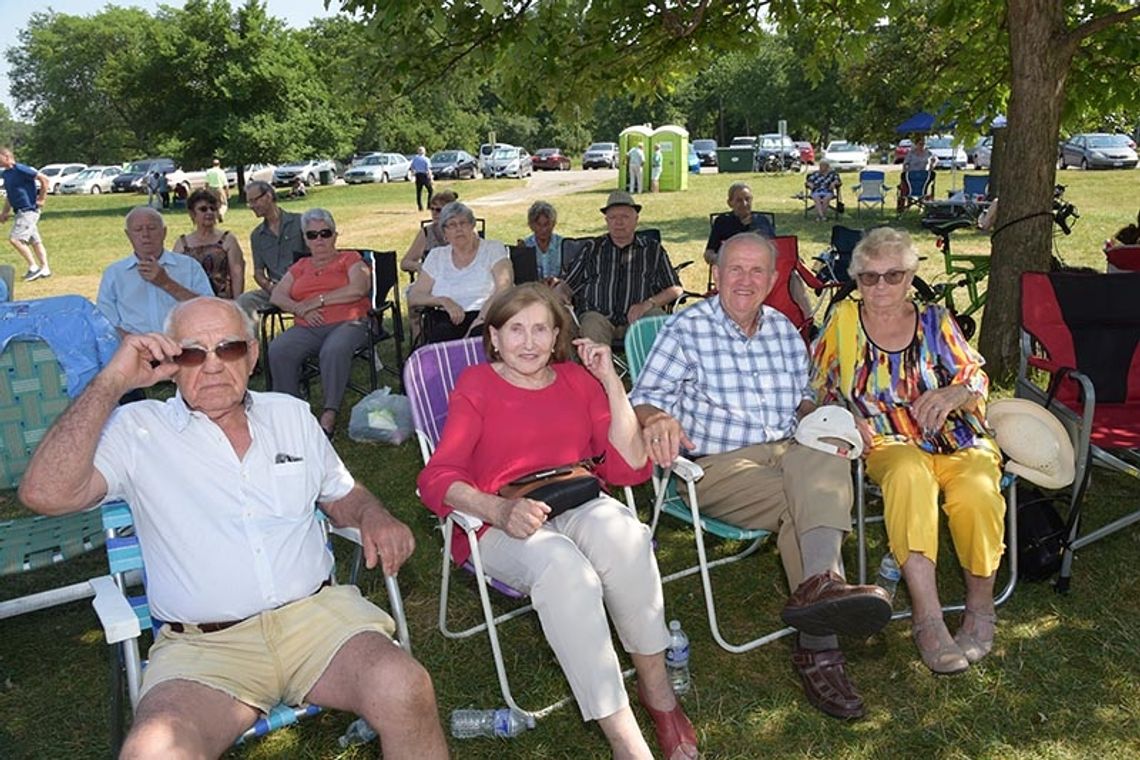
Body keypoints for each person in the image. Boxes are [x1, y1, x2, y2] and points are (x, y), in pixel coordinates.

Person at [17, 296, 448, 758]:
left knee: (406, 687)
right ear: (170, 363)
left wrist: (373, 514)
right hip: (207, 651)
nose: (213, 365)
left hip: (318, 623)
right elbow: (45, 493)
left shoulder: (290, 415)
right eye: (192, 353)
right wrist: (113, 380)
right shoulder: (137, 431)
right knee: (155, 752)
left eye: (228, 348)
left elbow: (342, 493)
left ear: (253, 354)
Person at [418, 283, 698, 760]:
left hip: (574, 497)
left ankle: (660, 699)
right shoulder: (476, 385)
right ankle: (626, 740)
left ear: (556, 337)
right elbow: (437, 477)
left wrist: (610, 381)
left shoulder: (576, 380)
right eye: (516, 330)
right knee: (566, 573)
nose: (528, 343)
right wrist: (498, 510)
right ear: (495, 337)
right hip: (500, 519)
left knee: (628, 538)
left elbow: (628, 467)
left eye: (540, 330)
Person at [629, 232, 891, 720]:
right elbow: (641, 397)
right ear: (716, 275)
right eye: (735, 269)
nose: (745, 281)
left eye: (757, 272)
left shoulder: (783, 330)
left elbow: (804, 401)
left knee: (824, 448)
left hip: (790, 450)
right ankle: (822, 636)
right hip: (716, 465)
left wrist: (830, 414)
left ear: (773, 281)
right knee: (808, 504)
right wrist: (655, 417)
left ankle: (818, 609)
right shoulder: (686, 329)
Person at [811, 227, 1004, 675]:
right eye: (869, 277)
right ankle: (928, 617)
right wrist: (842, 414)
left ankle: (980, 605)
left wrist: (956, 394)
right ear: (856, 280)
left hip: (956, 436)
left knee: (977, 490)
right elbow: (815, 387)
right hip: (888, 440)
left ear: (911, 276)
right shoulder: (843, 322)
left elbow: (975, 376)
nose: (881, 286)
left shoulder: (936, 320)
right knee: (909, 478)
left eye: (893, 275)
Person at [268, 208, 372, 439]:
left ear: (335, 235)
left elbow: (359, 288)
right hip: (307, 325)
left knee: (333, 350)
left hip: (349, 321)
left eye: (325, 233)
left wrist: (318, 301)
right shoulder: (300, 266)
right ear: (305, 239)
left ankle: (329, 412)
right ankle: (291, 413)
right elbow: (277, 295)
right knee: (279, 349)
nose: (319, 240)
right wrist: (298, 308)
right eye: (312, 235)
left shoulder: (350, 258)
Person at [560, 191, 682, 346]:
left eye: (624, 217)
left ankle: (653, 370)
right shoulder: (592, 248)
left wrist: (648, 304)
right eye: (613, 217)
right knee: (591, 324)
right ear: (606, 221)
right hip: (599, 318)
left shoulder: (652, 250)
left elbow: (675, 289)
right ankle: (596, 370)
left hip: (640, 319)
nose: (619, 222)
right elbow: (567, 285)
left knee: (656, 319)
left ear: (636, 220)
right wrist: (559, 295)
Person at [96, 206, 214, 336]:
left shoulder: (189, 266)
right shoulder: (114, 273)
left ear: (164, 232)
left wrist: (166, 283)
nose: (145, 234)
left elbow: (209, 311)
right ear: (128, 235)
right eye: (138, 230)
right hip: (134, 350)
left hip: (183, 348)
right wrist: (140, 346)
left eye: (152, 228)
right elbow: (106, 324)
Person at [406, 201, 513, 344]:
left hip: (487, 316)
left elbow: (504, 289)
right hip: (446, 317)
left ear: (473, 226)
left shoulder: (493, 249)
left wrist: (481, 319)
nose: (458, 229)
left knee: (479, 339)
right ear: (444, 232)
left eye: (463, 223)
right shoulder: (437, 256)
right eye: (452, 225)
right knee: (441, 340)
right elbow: (415, 296)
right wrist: (443, 301)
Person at [236, 181, 308, 316]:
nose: (251, 206)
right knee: (244, 301)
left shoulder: (300, 222)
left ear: (268, 196)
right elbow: (258, 272)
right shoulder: (257, 235)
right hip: (275, 290)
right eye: (249, 202)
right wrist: (270, 287)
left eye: (254, 201)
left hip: (305, 286)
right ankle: (251, 338)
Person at [172, 188, 245, 299]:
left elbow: (237, 274)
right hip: (191, 302)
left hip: (222, 302)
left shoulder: (228, 240)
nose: (209, 212)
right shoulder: (182, 244)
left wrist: (237, 304)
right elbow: (175, 276)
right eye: (203, 209)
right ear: (192, 213)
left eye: (213, 209)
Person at [0, 146, 51, 281]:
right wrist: (4, 213)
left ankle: (33, 267)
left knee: (15, 239)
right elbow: (10, 196)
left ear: (6, 157)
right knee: (35, 241)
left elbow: (44, 180)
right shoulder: (5, 174)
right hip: (19, 211)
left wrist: (41, 198)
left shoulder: (21, 169)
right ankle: (45, 269)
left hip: (28, 210)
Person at [704, 182, 777, 266]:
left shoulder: (762, 221)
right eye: (739, 200)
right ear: (730, 203)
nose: (744, 204)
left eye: (747, 199)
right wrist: (720, 260)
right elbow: (708, 253)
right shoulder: (722, 222)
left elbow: (775, 248)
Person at [400, 188, 459, 274]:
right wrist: (419, 266)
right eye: (432, 209)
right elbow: (405, 263)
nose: (434, 213)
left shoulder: (463, 231)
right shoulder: (427, 232)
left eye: (438, 210)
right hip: (431, 281)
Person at [520, 200, 564, 281]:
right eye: (539, 225)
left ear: (553, 224)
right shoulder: (526, 246)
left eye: (547, 224)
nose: (543, 230)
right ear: (531, 225)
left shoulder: (563, 244)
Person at [898, 136, 936, 211]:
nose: (922, 146)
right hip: (912, 175)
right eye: (920, 144)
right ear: (916, 144)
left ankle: (923, 205)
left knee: (926, 185)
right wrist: (905, 171)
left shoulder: (928, 153)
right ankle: (906, 206)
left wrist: (932, 165)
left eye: (923, 144)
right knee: (907, 186)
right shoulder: (911, 153)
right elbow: (905, 164)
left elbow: (935, 160)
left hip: (924, 176)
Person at [411, 146, 433, 211]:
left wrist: (413, 175)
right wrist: (431, 178)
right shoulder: (426, 159)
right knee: (430, 190)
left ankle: (420, 207)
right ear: (424, 152)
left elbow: (412, 168)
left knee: (419, 192)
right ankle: (429, 205)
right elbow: (428, 169)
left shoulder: (415, 159)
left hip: (418, 175)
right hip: (424, 175)